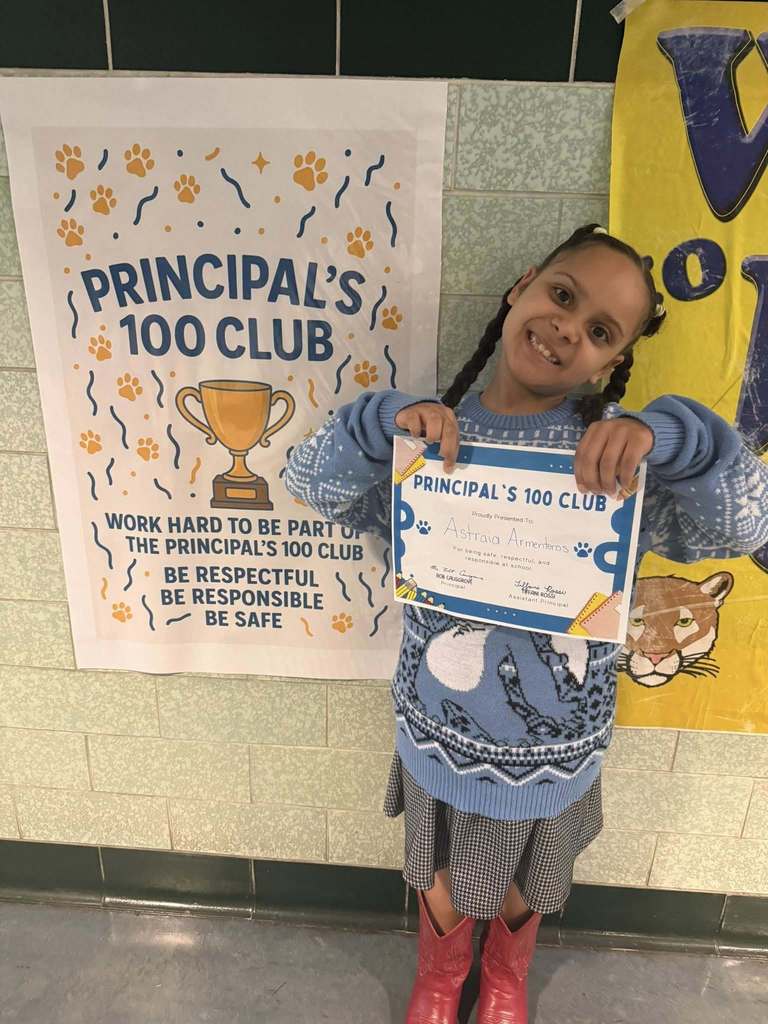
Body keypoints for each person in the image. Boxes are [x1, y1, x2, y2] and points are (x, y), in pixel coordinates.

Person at [284, 224, 768, 1024]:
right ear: (523, 287)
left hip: (554, 747)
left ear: (612, 362)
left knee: (525, 876)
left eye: (600, 331)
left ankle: (505, 974)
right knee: (435, 868)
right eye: (563, 295)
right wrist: (380, 422)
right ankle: (442, 974)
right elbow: (309, 483)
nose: (568, 327)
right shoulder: (426, 440)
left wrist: (668, 435)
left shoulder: (618, 460)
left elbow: (751, 524)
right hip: (436, 724)